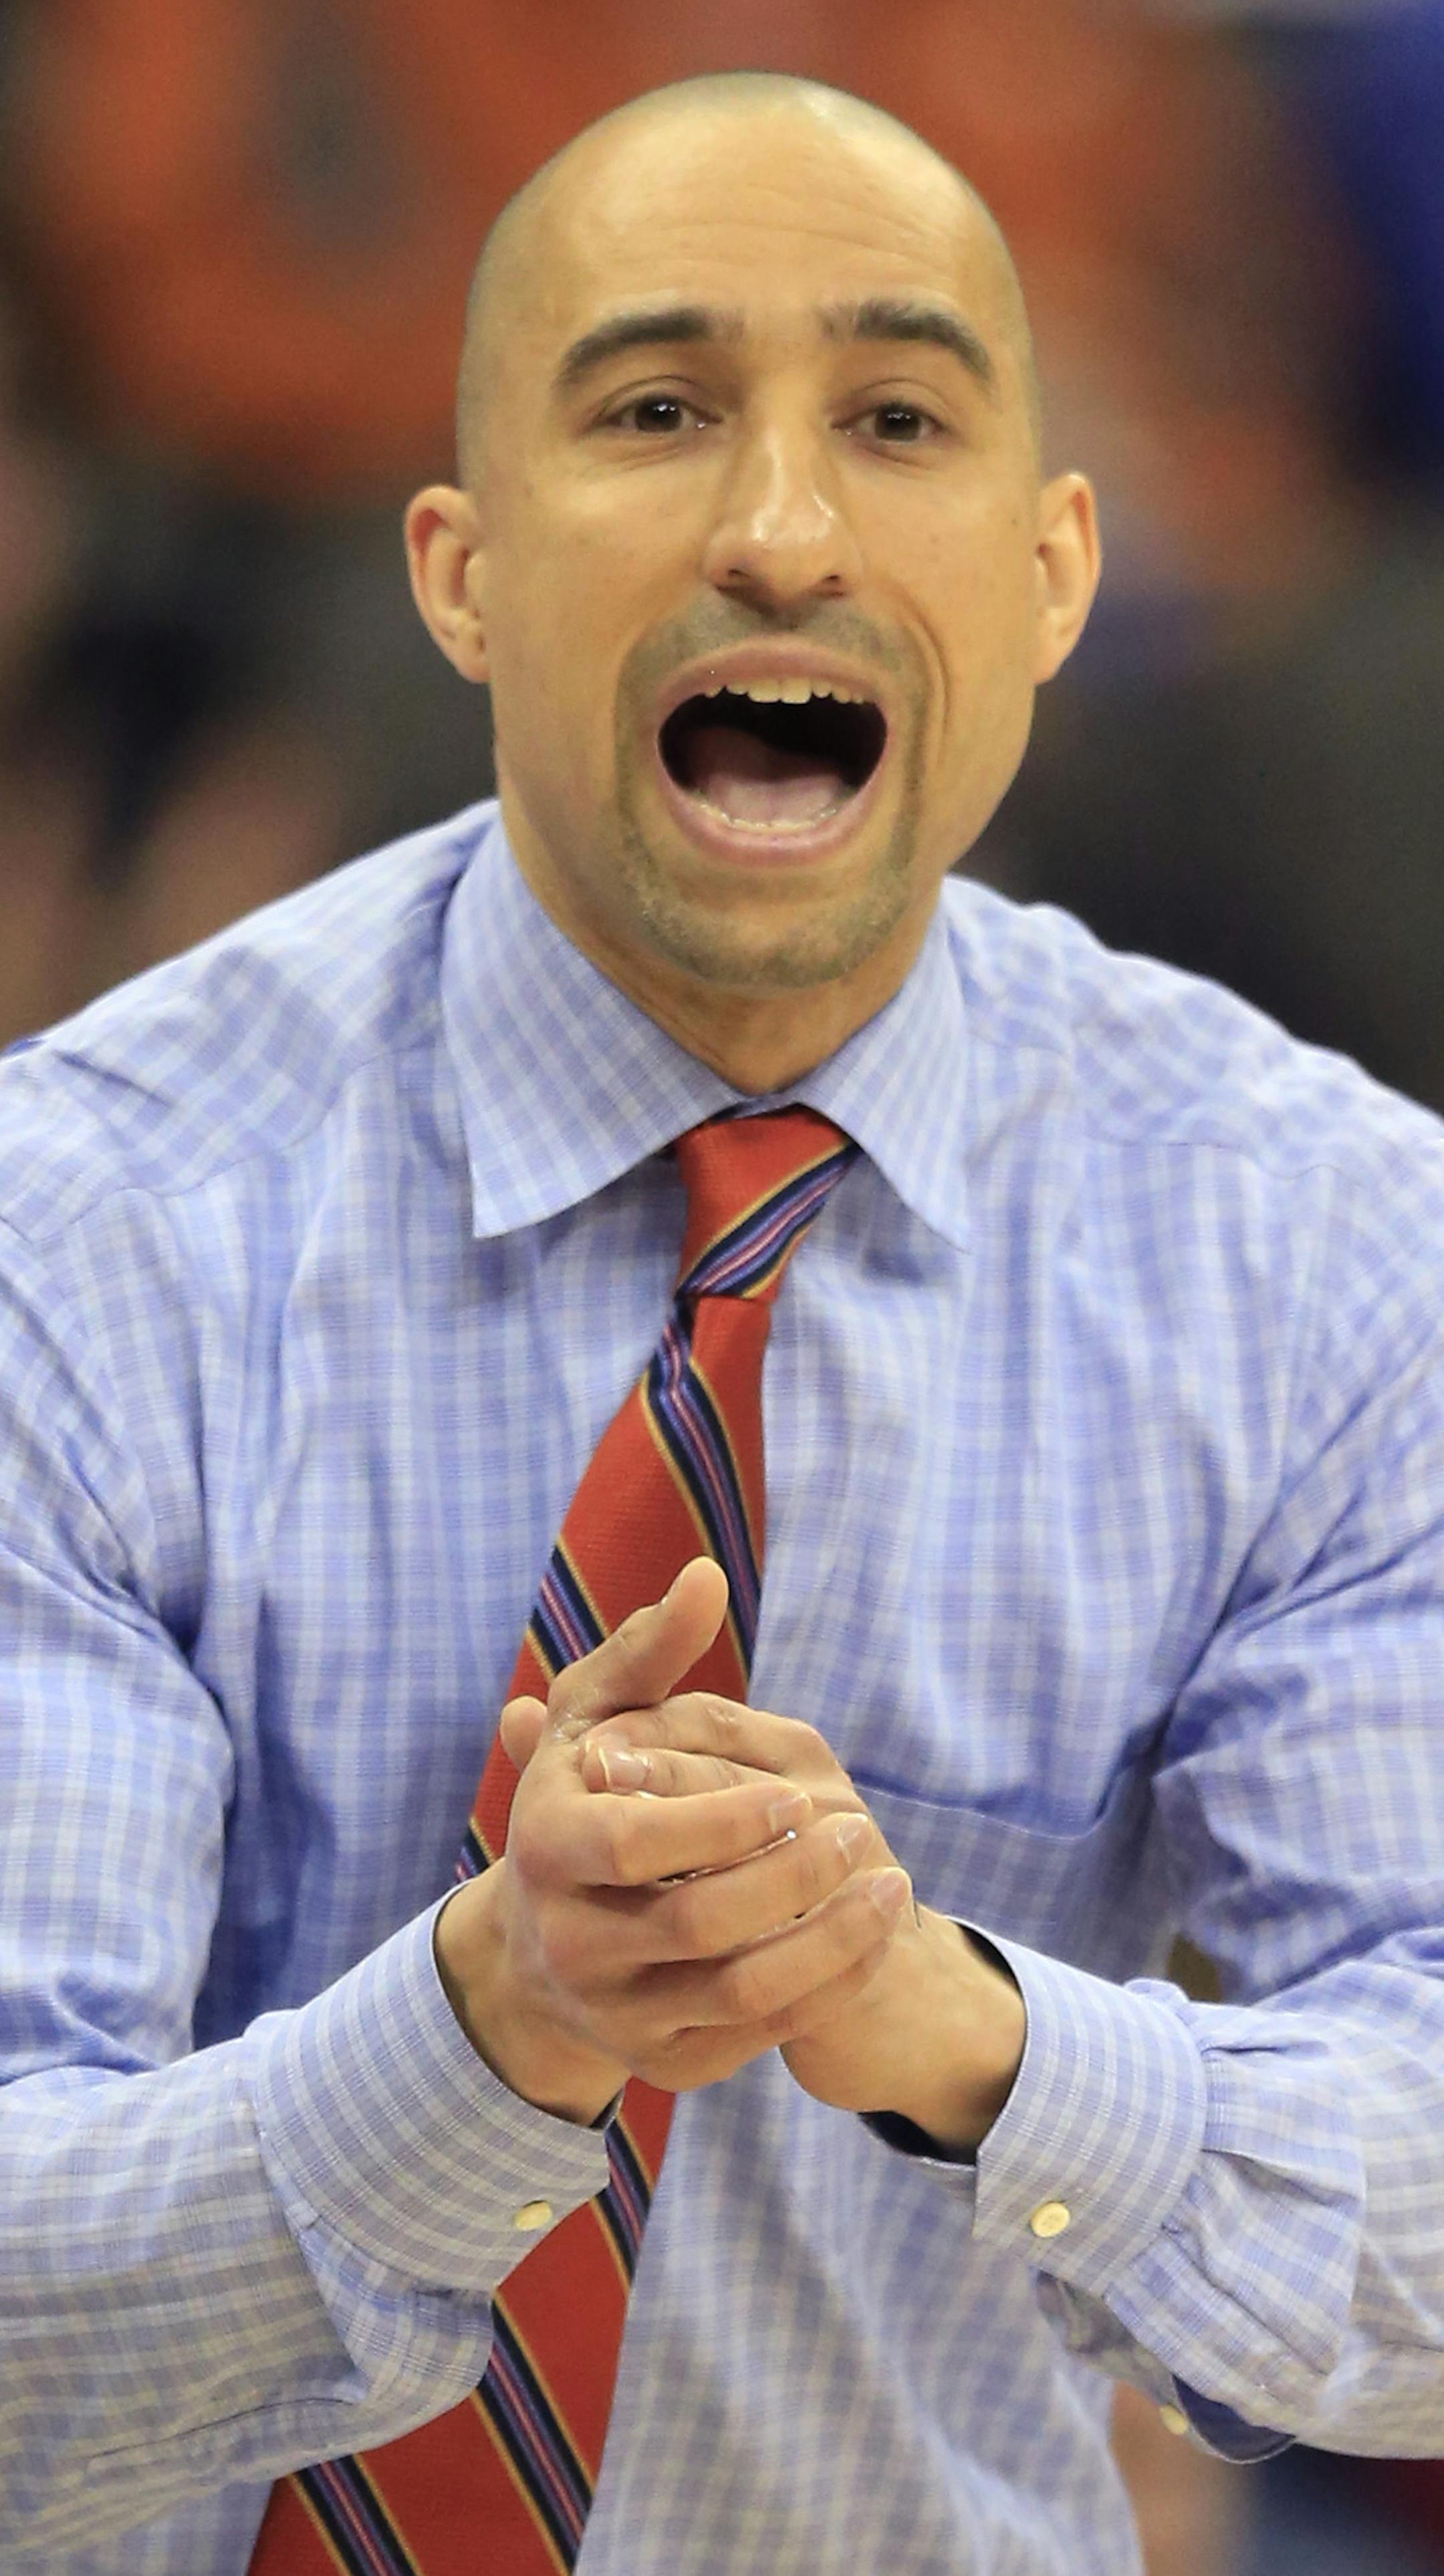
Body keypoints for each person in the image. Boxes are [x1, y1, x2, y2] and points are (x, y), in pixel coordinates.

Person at [2, 69, 1443, 2575]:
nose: (781, 529)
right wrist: (483, 2032)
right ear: (455, 571)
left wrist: (978, 2036)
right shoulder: (79, 1230)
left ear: (1054, 570)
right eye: (657, 412)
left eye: (894, 421)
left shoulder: (1329, 1251)